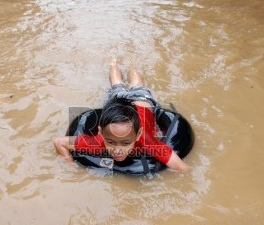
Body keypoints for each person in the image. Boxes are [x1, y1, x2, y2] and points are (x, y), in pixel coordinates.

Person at [53, 60, 189, 172]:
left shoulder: (146, 140)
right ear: (100, 132)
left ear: (138, 134)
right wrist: (70, 166)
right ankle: (113, 63)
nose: (117, 150)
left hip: (141, 99)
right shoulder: (97, 142)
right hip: (117, 101)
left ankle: (132, 65)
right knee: (116, 83)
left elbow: (182, 168)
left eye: (126, 143)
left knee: (136, 83)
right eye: (111, 142)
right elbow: (58, 142)